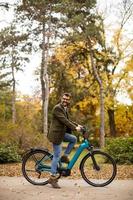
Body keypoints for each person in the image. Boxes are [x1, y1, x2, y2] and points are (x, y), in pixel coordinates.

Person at [47, 93, 82, 188]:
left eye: (67, 99)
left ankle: (65, 156)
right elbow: (64, 121)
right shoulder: (57, 108)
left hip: (61, 133)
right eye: (64, 99)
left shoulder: (65, 109)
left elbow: (68, 120)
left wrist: (77, 125)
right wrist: (75, 129)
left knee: (73, 139)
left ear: (69, 100)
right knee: (57, 155)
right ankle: (52, 178)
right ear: (61, 98)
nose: (65, 100)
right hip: (56, 135)